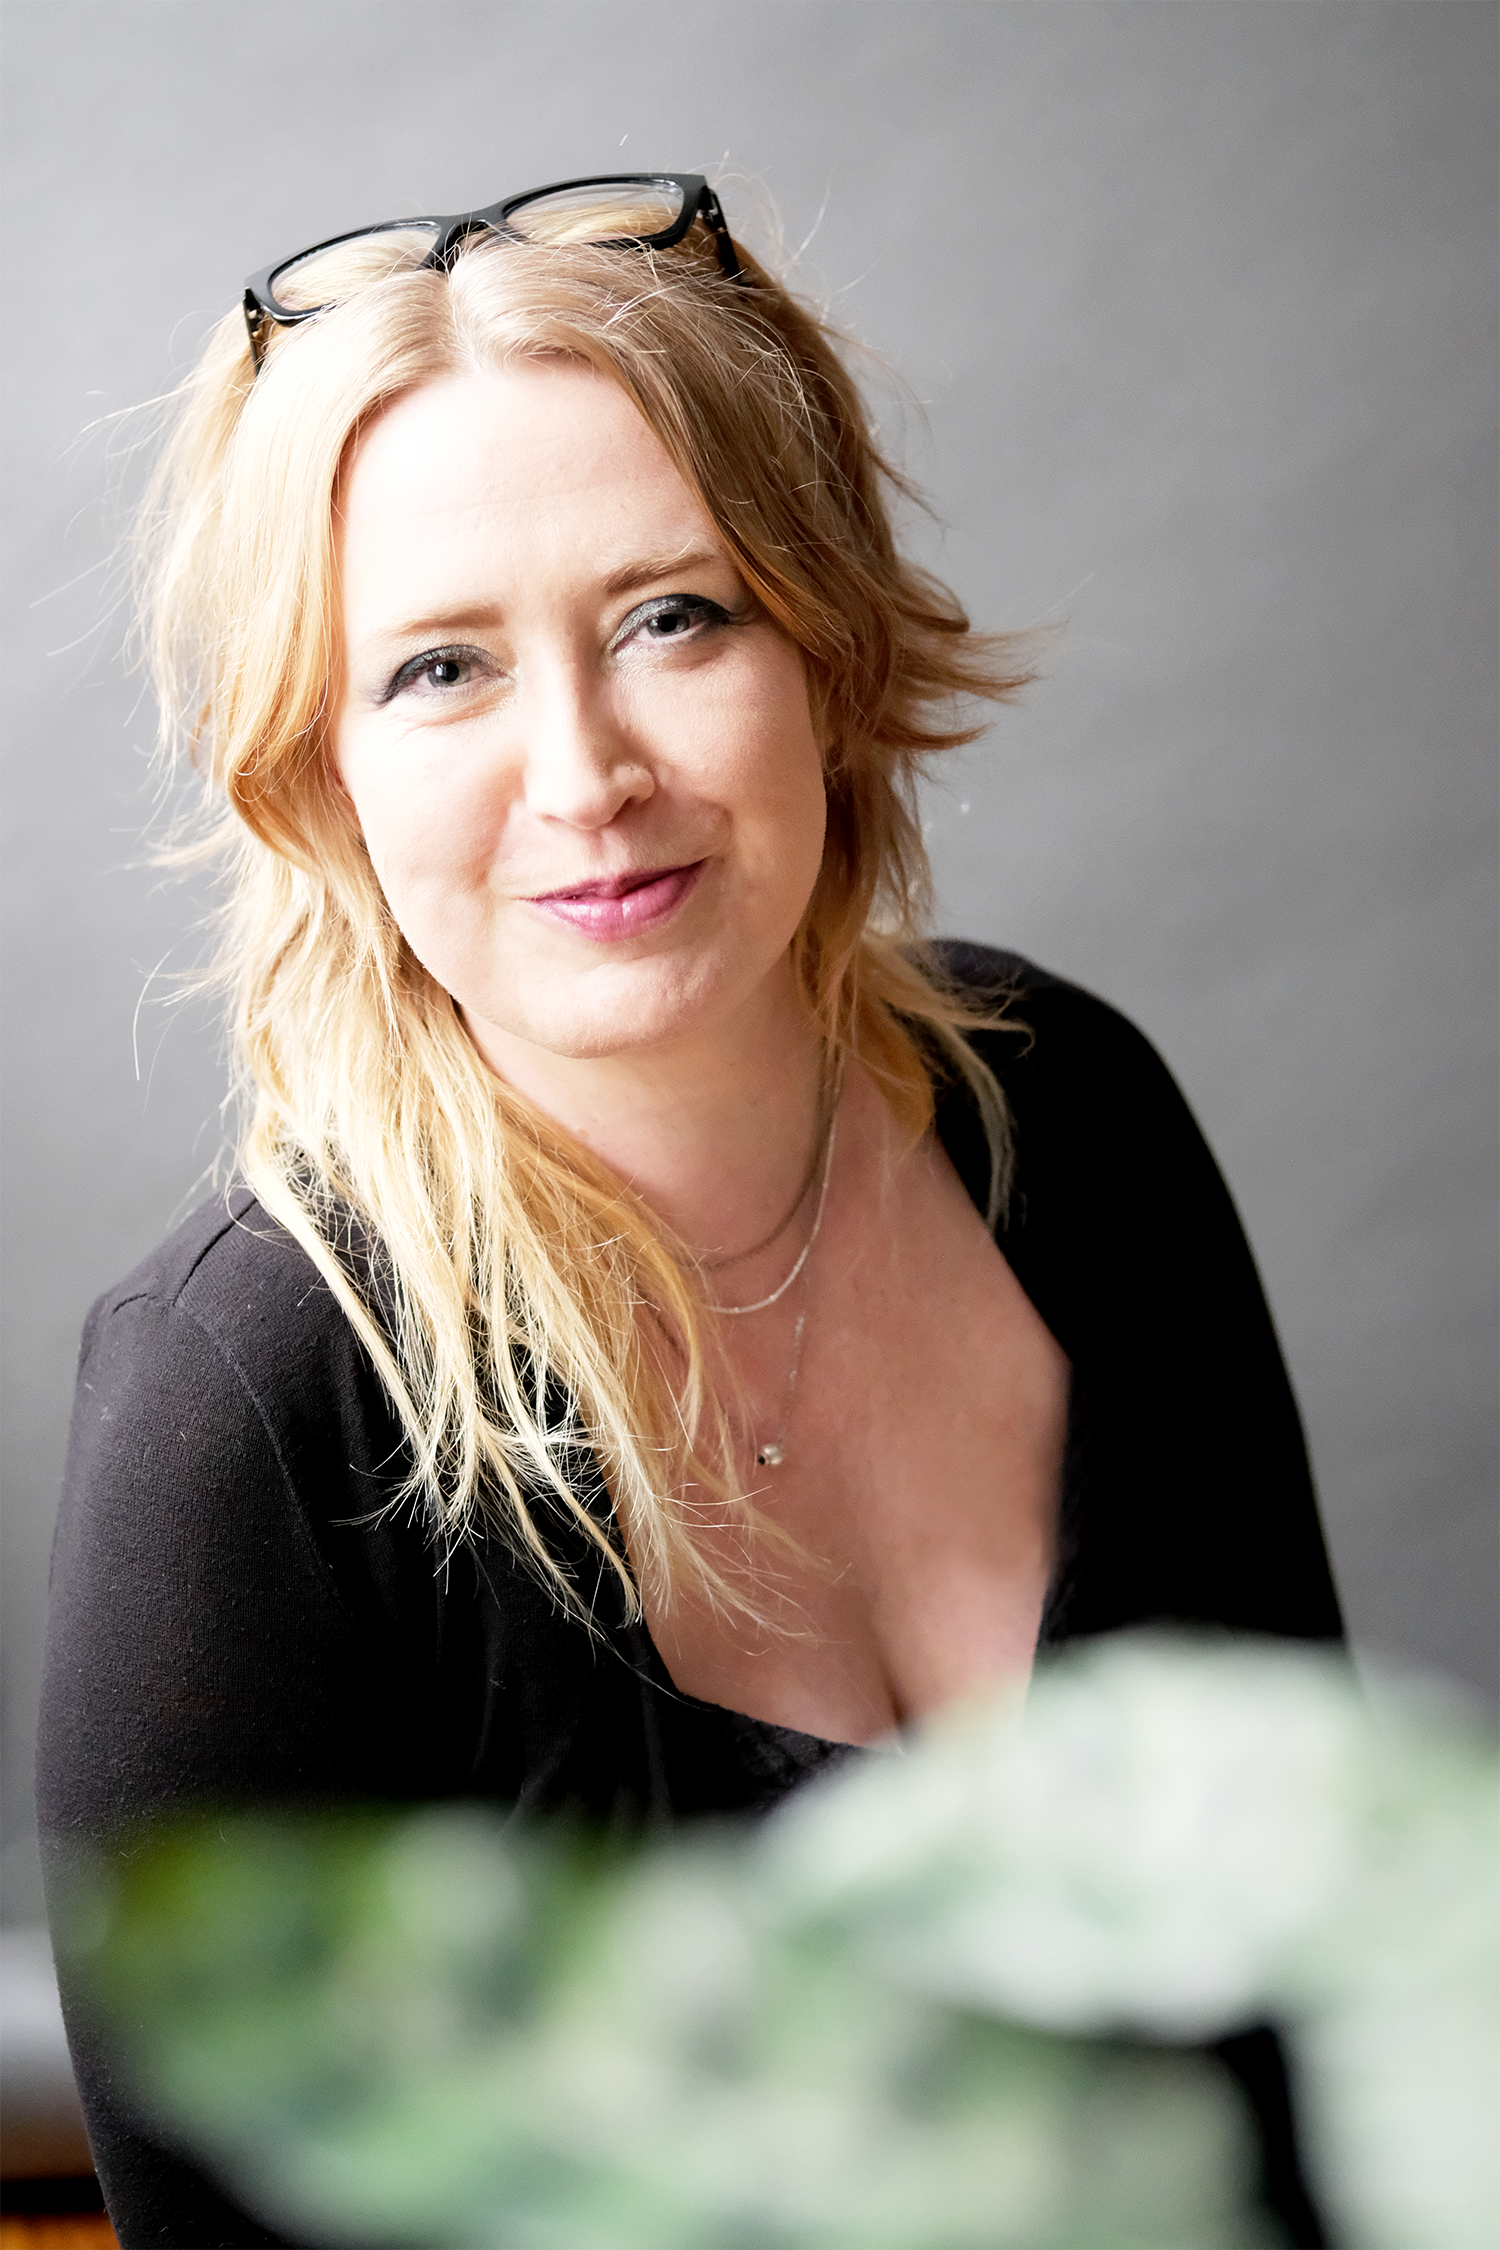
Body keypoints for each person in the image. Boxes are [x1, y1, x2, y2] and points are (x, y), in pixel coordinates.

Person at [37, 174, 1343, 2246]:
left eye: (674, 615)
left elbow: (1306, 2011)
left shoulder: (1070, 1112)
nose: (585, 773)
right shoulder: (251, 1410)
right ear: (319, 775)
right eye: (442, 670)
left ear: (822, 641)